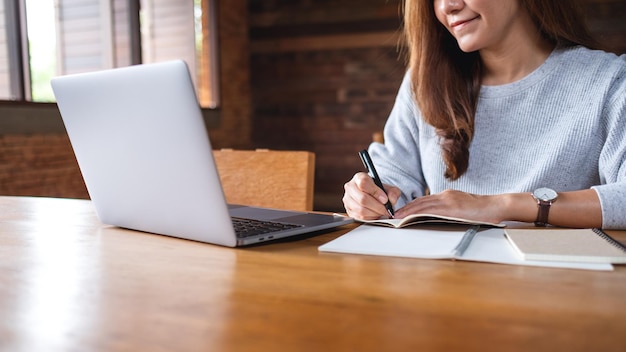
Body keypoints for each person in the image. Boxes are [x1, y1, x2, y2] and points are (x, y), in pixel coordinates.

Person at [342, 0, 626, 229]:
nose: (447, 7)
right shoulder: (425, 82)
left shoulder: (609, 81)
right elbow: (394, 176)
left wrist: (499, 206)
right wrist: (369, 196)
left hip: (560, 285)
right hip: (448, 280)